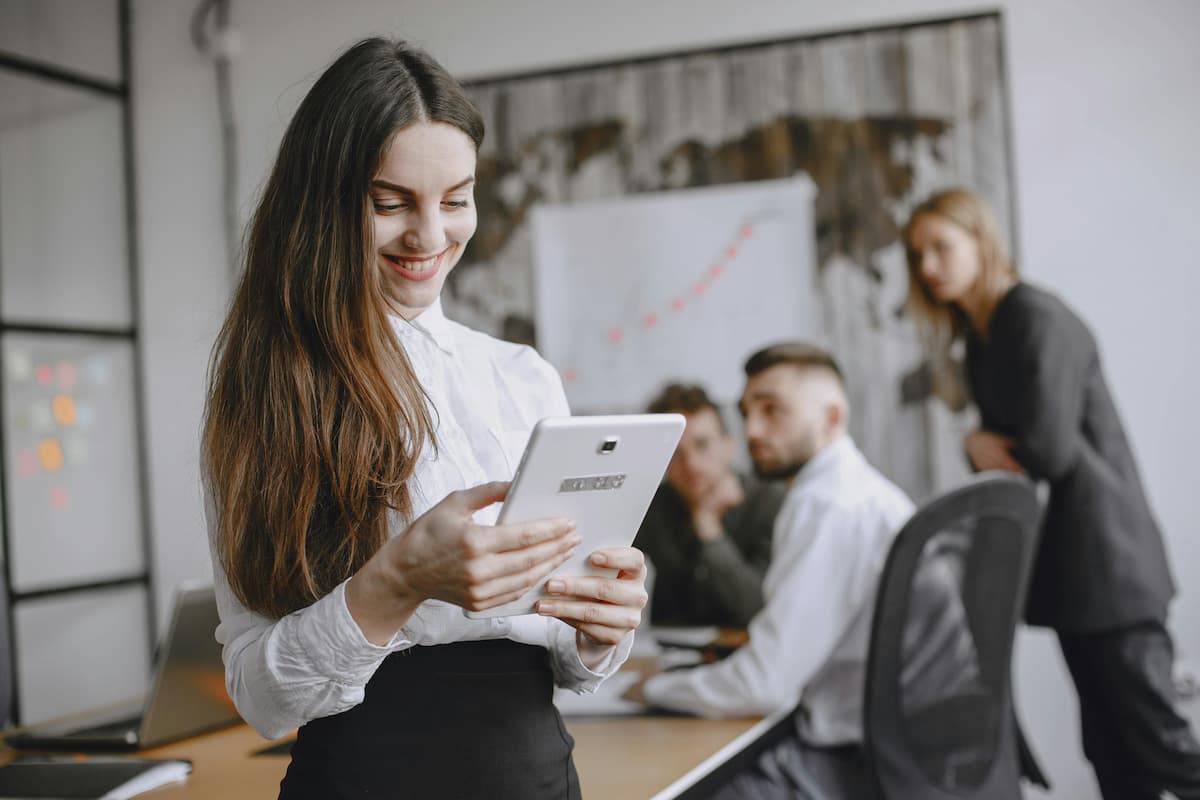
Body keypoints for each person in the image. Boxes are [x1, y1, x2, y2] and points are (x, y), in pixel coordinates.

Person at [200, 37, 646, 800]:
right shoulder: (268, 389)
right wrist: (400, 578)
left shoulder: (522, 378)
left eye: (456, 198)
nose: (431, 236)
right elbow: (262, 699)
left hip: (537, 775)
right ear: (327, 202)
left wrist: (599, 629)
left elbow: (564, 661)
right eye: (390, 202)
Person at [903, 187, 1200, 800]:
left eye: (940, 247)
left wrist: (981, 442)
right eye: (918, 255)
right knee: (1113, 756)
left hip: (1112, 571)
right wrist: (978, 444)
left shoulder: (1033, 317)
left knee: (1161, 749)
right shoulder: (985, 335)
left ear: (981, 241)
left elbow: (1047, 452)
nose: (928, 268)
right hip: (1076, 576)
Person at [630, 343, 915, 798]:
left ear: (832, 416)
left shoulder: (827, 505)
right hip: (884, 746)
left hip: (848, 759)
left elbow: (765, 684)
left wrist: (655, 690)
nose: (754, 430)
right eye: (747, 413)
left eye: (773, 410)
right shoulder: (857, 490)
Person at [633, 382, 784, 628]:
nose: (690, 463)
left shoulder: (769, 501)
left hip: (745, 653)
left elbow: (756, 609)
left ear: (729, 446)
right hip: (669, 655)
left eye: (702, 445)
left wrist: (708, 526)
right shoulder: (650, 507)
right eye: (674, 451)